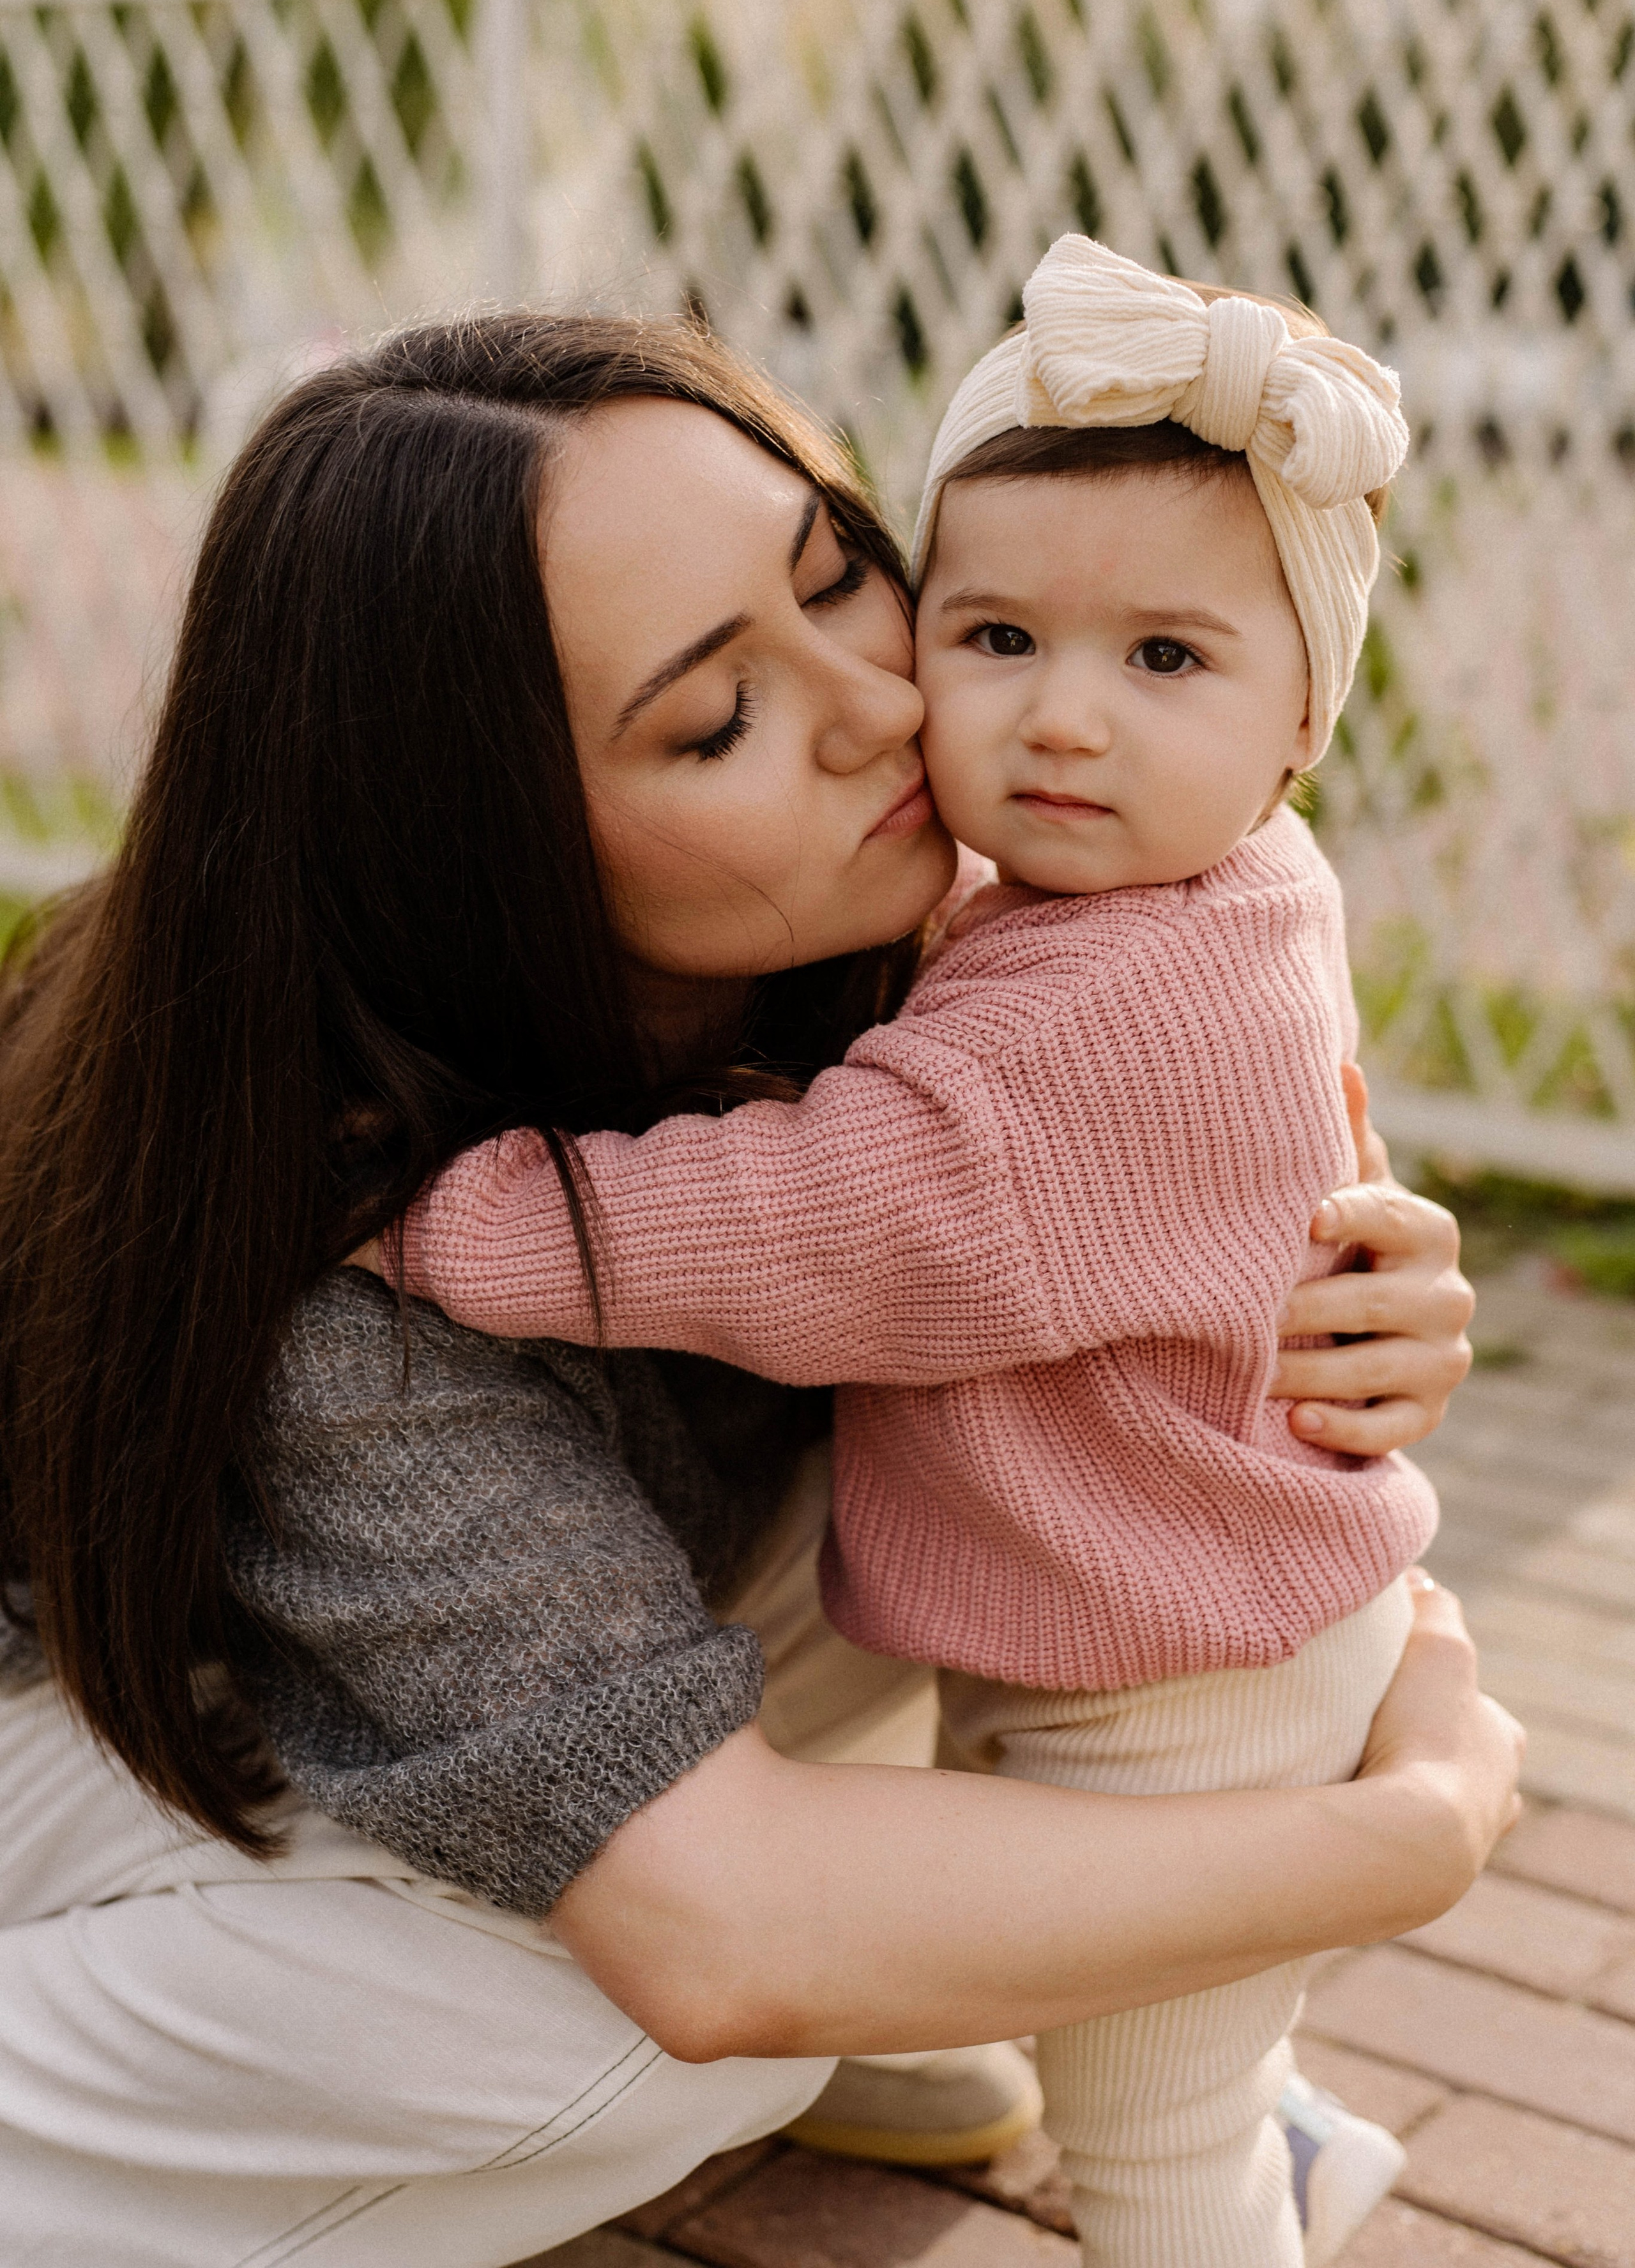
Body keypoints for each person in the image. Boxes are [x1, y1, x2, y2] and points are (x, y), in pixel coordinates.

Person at [0, 313, 1516, 2268]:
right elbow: (719, 1950)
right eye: (715, 722)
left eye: (838, 579)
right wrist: (1389, 1846)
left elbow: (1165, 1092)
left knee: (998, 1476)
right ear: (487, 851)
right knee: (645, 2015)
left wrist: (1343, 1253)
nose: (884, 710)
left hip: (415, 1641)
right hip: (93, 1718)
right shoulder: (338, 1258)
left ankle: (983, 2005)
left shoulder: (881, 911)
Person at [360, 243, 1449, 2264]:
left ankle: (1248, 2192)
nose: (1062, 726)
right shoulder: (1215, 882)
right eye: (999, 632)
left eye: (1167, 663)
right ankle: (1255, 2126)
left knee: (1153, 2146)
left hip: (1179, 1684)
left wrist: (437, 1218)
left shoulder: (1083, 1018)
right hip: (1155, 1593)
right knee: (1158, 2034)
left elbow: (809, 1221)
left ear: (1308, 715)